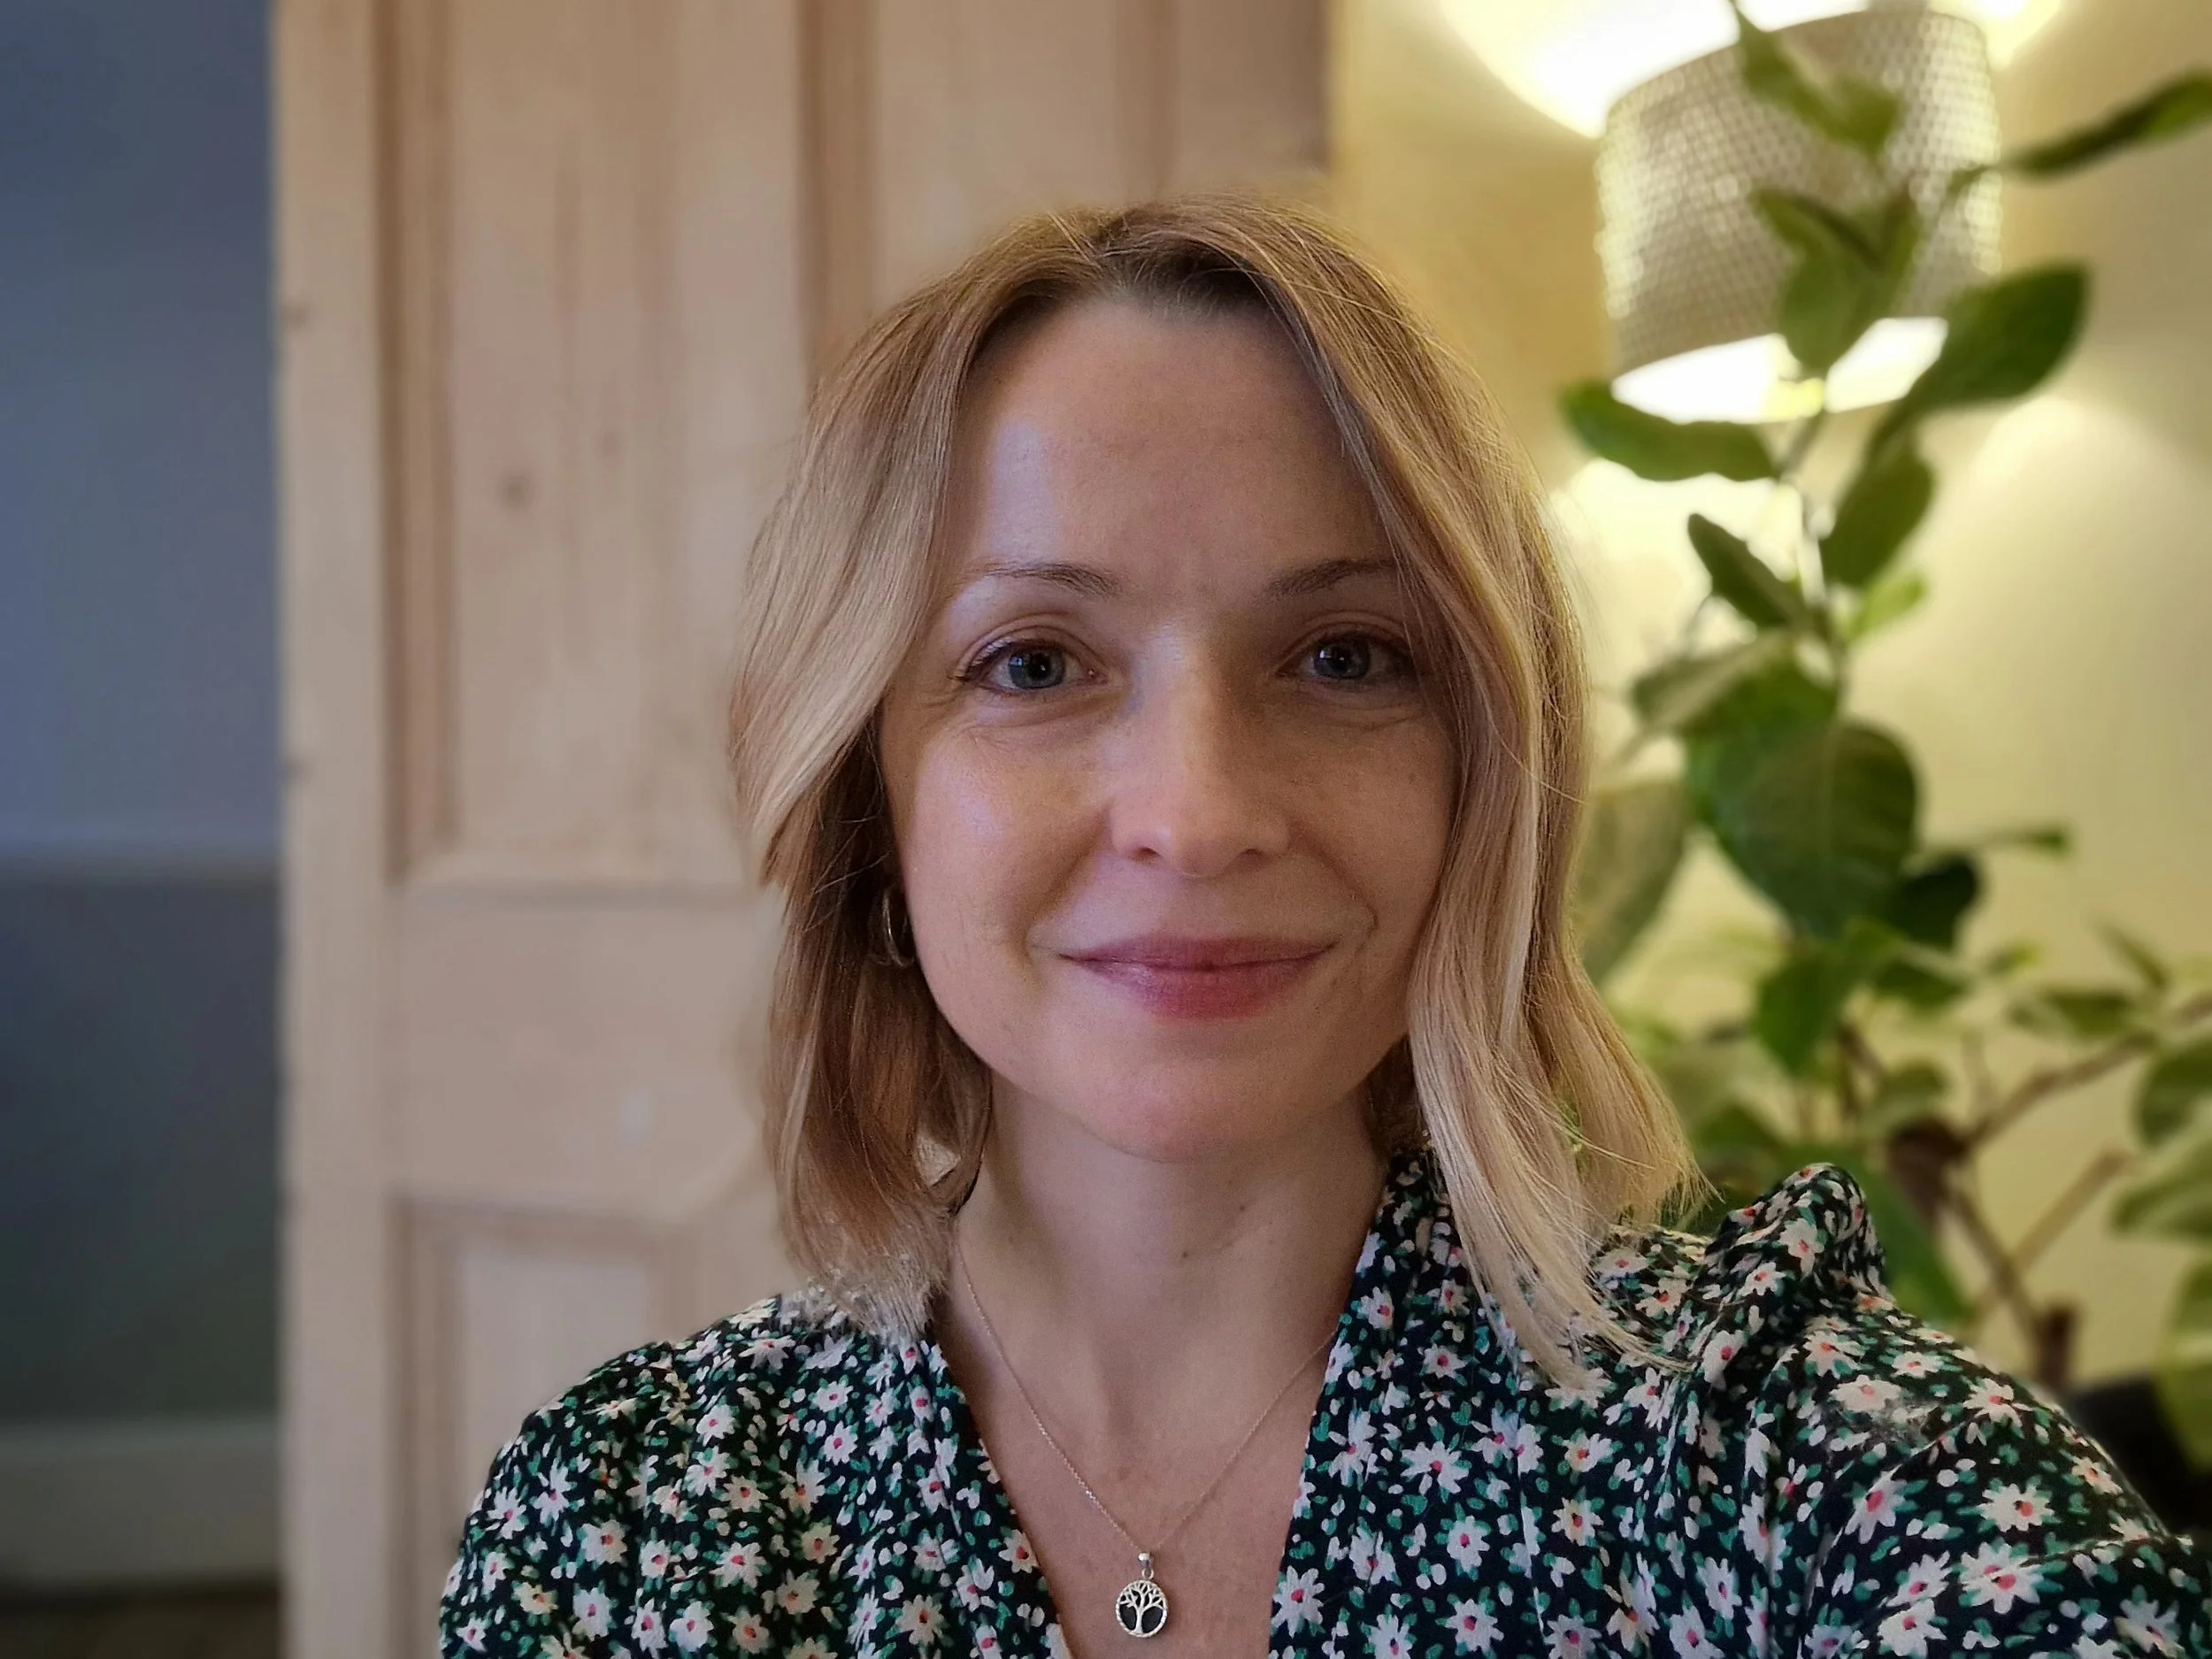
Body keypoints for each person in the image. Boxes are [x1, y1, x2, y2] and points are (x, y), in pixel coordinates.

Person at [440, 196, 2208, 1658]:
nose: (1199, 813)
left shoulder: (1797, 1475)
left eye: (1344, 657)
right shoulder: (633, 1520)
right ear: (863, 801)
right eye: (1033, 663)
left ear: (1481, 774)